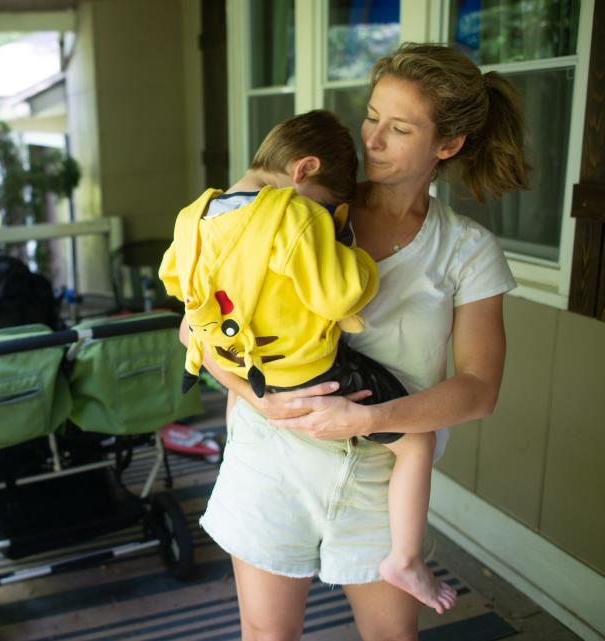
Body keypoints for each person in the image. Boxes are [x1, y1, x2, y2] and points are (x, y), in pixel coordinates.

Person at [184, 42, 528, 641]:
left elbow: (478, 390)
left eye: (398, 129)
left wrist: (370, 419)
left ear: (447, 146)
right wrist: (254, 395)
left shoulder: (467, 251)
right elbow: (197, 327)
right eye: (371, 116)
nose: (371, 139)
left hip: (381, 486)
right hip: (272, 461)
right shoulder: (291, 210)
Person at [159, 108, 457, 617]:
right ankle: (405, 559)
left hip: (241, 364)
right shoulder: (291, 216)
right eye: (324, 205)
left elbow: (176, 284)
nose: (320, 215)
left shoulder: (196, 214)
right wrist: (346, 247)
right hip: (308, 374)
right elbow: (344, 298)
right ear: (304, 170)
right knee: (418, 440)